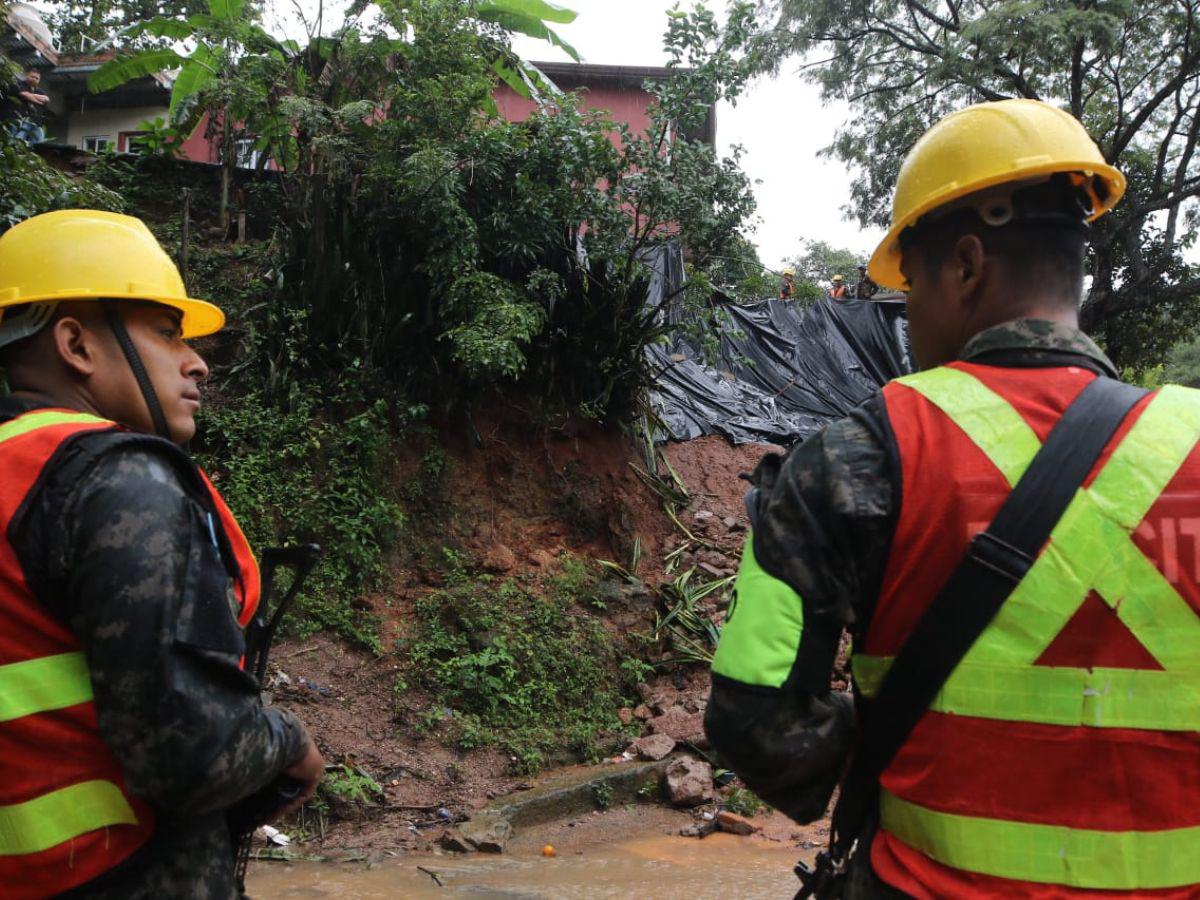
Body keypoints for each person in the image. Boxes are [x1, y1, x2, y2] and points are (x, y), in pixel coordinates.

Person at [706, 98, 1200, 898]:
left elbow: (756, 721)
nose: (907, 324)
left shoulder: (855, 456)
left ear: (966, 266)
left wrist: (888, 732)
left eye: (912, 292)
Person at [0, 210, 325, 898]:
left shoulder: (15, 473)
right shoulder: (119, 482)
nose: (197, 361)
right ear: (76, 345)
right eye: (166, 331)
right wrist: (290, 745)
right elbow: (192, 751)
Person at [5, 67, 50, 144]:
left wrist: (30, 95)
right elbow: (25, 95)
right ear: (27, 76)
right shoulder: (18, 84)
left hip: (35, 122)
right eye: (32, 77)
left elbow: (46, 99)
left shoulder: (40, 90)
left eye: (37, 78)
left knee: (38, 142)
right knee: (17, 140)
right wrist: (37, 100)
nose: (34, 79)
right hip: (19, 119)